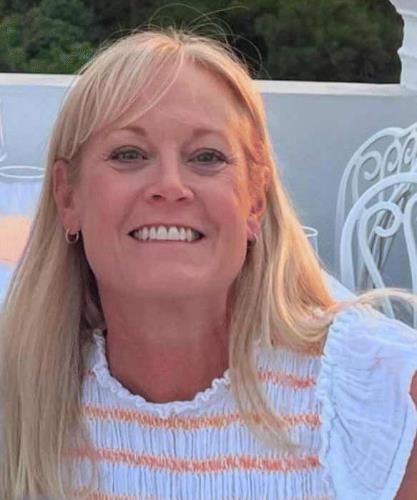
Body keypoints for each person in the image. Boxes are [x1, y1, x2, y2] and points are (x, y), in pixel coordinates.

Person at [1, 28, 417, 500]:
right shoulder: (23, 398)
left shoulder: (373, 399)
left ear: (254, 200)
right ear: (67, 196)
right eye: (129, 154)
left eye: (206, 157)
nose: (170, 186)